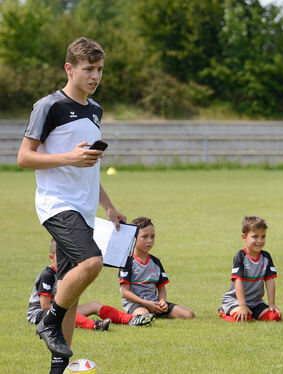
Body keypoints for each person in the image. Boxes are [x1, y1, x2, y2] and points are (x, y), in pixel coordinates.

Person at [17, 36, 126, 373]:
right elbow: (24, 158)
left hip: (85, 207)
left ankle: (58, 367)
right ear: (69, 69)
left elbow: (87, 165)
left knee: (71, 287)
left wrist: (108, 206)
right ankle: (49, 322)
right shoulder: (48, 106)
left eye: (100, 70)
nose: (95, 76)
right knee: (92, 262)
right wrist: (70, 157)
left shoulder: (95, 110)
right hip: (56, 204)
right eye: (88, 69)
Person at [27, 240, 155, 332]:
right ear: (51, 257)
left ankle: (131, 319)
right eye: (62, 257)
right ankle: (94, 326)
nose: (66, 260)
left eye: (69, 256)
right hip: (41, 314)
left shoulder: (70, 272)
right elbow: (45, 306)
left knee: (94, 305)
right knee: (65, 313)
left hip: (63, 309)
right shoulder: (47, 274)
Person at [119, 217, 195, 319]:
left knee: (188, 315)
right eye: (144, 237)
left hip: (155, 303)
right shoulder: (127, 262)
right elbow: (125, 292)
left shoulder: (155, 262)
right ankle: (134, 315)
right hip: (136, 304)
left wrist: (162, 301)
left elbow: (161, 287)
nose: (149, 241)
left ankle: (155, 312)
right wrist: (145, 303)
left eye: (152, 236)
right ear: (134, 237)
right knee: (143, 315)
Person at [218, 216, 282, 322]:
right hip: (235, 301)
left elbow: (270, 280)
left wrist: (272, 304)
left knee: (275, 317)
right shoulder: (241, 256)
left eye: (263, 236)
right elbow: (238, 282)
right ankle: (223, 311)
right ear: (244, 237)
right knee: (244, 318)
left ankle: (251, 312)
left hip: (256, 302)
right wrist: (242, 306)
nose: (259, 241)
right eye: (255, 237)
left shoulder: (266, 257)